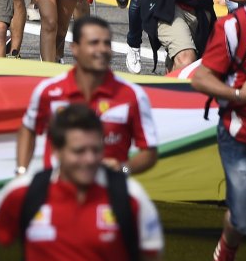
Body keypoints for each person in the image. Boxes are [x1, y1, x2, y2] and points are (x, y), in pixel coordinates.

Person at [0, 104, 165, 261]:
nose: (89, 159)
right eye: (79, 151)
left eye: (96, 150)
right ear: (57, 150)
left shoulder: (130, 196)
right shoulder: (25, 190)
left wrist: (125, 167)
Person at [18, 16, 159, 178]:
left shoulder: (133, 95)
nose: (102, 49)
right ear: (75, 48)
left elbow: (150, 152)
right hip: (56, 194)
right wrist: (21, 172)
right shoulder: (49, 91)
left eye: (107, 43)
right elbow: (28, 128)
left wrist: (123, 169)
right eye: (94, 43)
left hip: (109, 196)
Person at [191, 0, 246, 261]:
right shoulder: (234, 26)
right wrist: (238, 94)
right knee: (243, 218)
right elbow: (201, 77)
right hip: (240, 131)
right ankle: (227, 246)